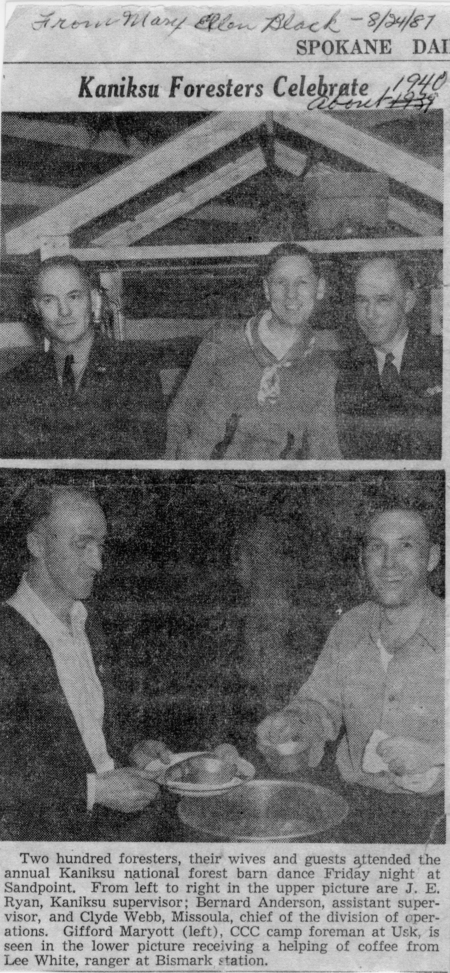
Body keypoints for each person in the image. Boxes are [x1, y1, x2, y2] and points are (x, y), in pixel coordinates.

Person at [0, 485, 168, 840]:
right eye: (82, 545)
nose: (98, 563)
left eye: (101, 544)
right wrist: (95, 791)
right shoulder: (6, 638)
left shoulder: (88, 623)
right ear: (37, 545)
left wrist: (132, 751)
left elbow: (87, 739)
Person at [256, 506, 444, 795]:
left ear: (431, 558)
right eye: (376, 547)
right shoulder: (350, 627)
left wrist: (437, 754)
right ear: (362, 560)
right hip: (355, 798)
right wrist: (293, 723)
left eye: (405, 546)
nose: (388, 563)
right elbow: (319, 705)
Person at [165, 243, 341, 460]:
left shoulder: (322, 369)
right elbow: (180, 415)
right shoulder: (222, 340)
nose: (291, 295)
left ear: (320, 288)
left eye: (302, 282)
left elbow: (323, 450)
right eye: (280, 282)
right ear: (266, 289)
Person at [0, 256, 166, 459]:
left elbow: (142, 464)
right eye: (49, 300)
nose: (64, 311)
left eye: (74, 296)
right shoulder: (14, 383)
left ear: (94, 300)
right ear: (36, 308)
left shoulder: (136, 372)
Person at [335, 256, 442, 459]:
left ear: (408, 301)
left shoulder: (440, 360)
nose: (370, 314)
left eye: (383, 300)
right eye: (362, 300)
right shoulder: (342, 370)